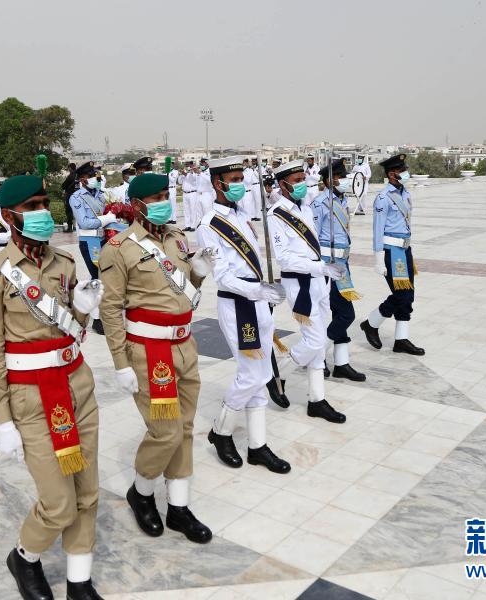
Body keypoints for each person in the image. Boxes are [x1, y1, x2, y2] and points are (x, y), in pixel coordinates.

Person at [0, 175, 104, 600]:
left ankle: (79, 582)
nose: (42, 212)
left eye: (45, 203)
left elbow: (72, 327)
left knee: (87, 490)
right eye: (32, 206)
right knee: (58, 501)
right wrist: (2, 420)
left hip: (77, 384)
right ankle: (24, 557)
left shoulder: (64, 262)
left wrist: (82, 309)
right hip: (30, 395)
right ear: (9, 215)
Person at [100, 173, 215, 544]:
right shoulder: (119, 248)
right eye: (157, 197)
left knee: (185, 428)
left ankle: (179, 507)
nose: (165, 201)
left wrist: (198, 274)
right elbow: (110, 308)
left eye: (167, 194)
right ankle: (142, 492)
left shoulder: (177, 237)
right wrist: (120, 362)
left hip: (185, 345)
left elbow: (185, 289)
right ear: (137, 206)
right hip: (150, 353)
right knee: (165, 432)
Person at [197, 157, 291, 474]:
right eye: (234, 179)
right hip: (239, 306)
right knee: (252, 375)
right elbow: (222, 277)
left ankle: (258, 446)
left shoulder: (242, 216)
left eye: (241, 178)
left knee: (261, 372)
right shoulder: (209, 225)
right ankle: (221, 432)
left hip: (257, 301)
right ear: (218, 183)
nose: (240, 184)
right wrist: (258, 291)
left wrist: (264, 290)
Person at [267, 161, 346, 423]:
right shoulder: (276, 215)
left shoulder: (306, 208)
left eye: (303, 178)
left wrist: (324, 269)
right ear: (283, 184)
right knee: (314, 341)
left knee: (319, 346)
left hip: (320, 281)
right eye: (297, 180)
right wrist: (319, 266)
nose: (302, 183)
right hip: (300, 284)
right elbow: (285, 259)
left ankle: (317, 400)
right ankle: (279, 374)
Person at [360, 154, 425, 355]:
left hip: (405, 250)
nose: (405, 173)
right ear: (391, 174)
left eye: (405, 169)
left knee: (408, 296)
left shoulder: (405, 193)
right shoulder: (383, 198)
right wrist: (378, 259)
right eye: (401, 170)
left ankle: (401, 340)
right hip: (391, 251)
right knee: (401, 295)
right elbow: (377, 229)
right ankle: (371, 323)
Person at [311, 159, 365, 382]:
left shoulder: (342, 200)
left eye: (344, 176)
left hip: (342, 264)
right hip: (327, 265)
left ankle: (341, 363)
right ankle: (317, 355)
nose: (344, 180)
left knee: (339, 313)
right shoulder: (320, 203)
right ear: (328, 180)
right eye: (340, 176)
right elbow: (313, 238)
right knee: (345, 314)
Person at [70, 163, 117, 335]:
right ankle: (97, 319)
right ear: (82, 179)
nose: (94, 178)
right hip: (90, 241)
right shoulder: (76, 197)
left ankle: (103, 313)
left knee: (104, 276)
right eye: (90, 176)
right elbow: (84, 222)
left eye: (95, 175)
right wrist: (106, 219)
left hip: (104, 239)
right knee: (97, 277)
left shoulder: (101, 194)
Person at [195, 158, 214, 226]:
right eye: (201, 162)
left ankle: (208, 226)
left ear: (207, 163)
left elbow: (210, 180)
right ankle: (200, 227)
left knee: (207, 212)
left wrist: (201, 173)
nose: (202, 164)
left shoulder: (210, 171)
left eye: (203, 162)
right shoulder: (200, 171)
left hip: (207, 194)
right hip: (198, 194)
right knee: (199, 213)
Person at [180, 161, 199, 231]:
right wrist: (182, 175)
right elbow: (179, 182)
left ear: (192, 165)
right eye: (186, 165)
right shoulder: (184, 172)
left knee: (193, 209)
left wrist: (187, 174)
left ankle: (193, 226)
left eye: (189, 165)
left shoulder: (194, 173)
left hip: (192, 193)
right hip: (185, 193)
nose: (188, 166)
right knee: (186, 210)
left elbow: (193, 180)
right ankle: (187, 225)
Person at [61, 163, 78, 232]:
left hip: (69, 195)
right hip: (77, 196)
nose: (68, 169)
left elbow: (63, 186)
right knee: (76, 211)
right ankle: (75, 227)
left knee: (69, 211)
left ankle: (70, 227)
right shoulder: (78, 176)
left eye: (69, 168)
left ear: (70, 168)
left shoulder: (71, 176)